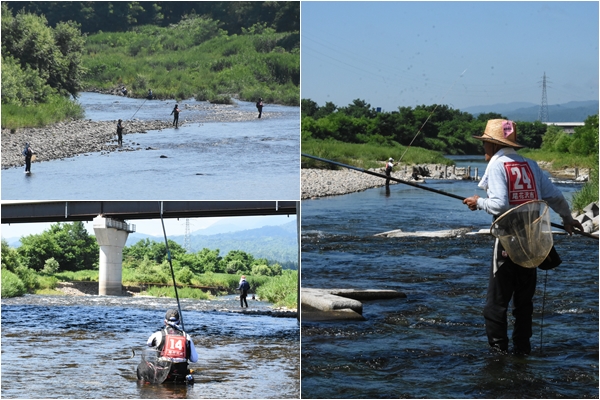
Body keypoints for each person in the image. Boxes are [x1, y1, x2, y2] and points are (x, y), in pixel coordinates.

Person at [463, 119, 583, 355]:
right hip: (534, 242)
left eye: (485, 144)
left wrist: (478, 203)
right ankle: (522, 351)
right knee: (524, 303)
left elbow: (499, 205)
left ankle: (498, 355)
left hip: (508, 241)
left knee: (495, 305)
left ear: (494, 145)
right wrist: (568, 219)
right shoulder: (531, 165)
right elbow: (556, 196)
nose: (483, 149)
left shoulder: (498, 166)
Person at [142, 309, 198, 383]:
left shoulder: (159, 335)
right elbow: (194, 359)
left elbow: (149, 343)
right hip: (180, 376)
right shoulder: (186, 337)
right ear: (179, 322)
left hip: (162, 376)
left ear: (165, 322)